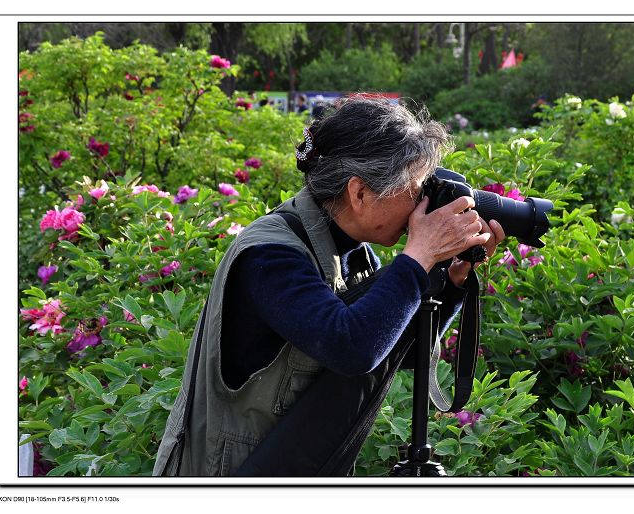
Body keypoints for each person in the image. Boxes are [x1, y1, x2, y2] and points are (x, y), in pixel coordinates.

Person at [152, 96, 506, 476]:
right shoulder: (270, 256)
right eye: (416, 190)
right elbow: (352, 348)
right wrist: (418, 256)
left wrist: (449, 279)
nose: (423, 205)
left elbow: (392, 352)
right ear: (360, 193)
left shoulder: (351, 250)